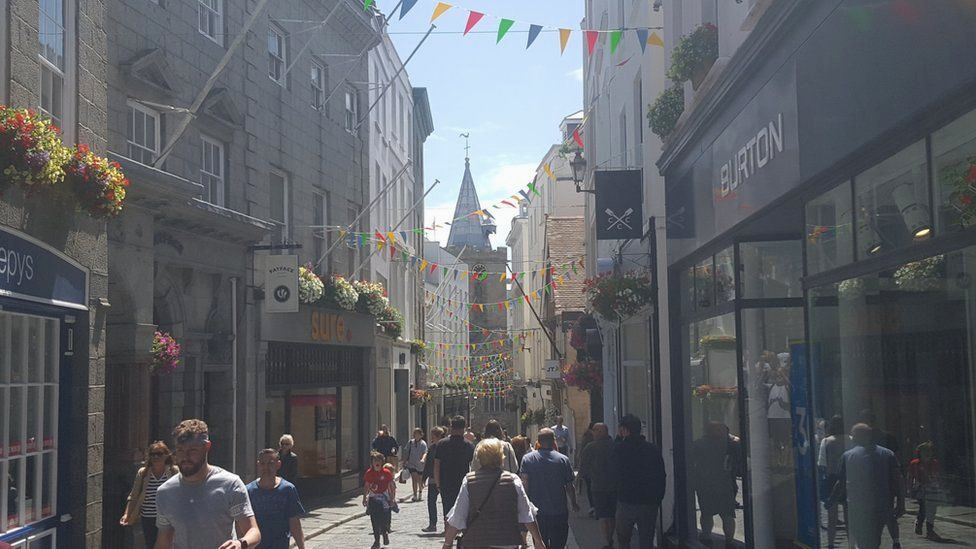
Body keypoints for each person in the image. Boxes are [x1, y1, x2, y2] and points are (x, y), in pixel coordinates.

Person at [154, 419, 261, 549]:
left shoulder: (230, 484)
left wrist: (240, 543)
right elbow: (163, 541)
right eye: (180, 450)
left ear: (207, 447)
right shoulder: (165, 492)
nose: (185, 457)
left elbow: (253, 532)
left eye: (192, 450)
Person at [442, 438, 547, 549]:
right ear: (501, 457)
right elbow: (526, 514)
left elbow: (459, 516)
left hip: (476, 542)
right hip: (507, 542)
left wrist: (448, 543)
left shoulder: (469, 481)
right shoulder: (513, 480)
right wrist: (538, 540)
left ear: (479, 458)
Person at [833, 423, 905, 549]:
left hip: (857, 506)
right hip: (882, 504)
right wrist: (901, 502)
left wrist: (831, 499)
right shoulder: (888, 454)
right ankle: (895, 541)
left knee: (864, 541)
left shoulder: (848, 456)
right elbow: (897, 480)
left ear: (856, 437)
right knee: (875, 539)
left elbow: (841, 482)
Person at [610, 414, 666, 549]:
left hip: (626, 500)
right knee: (646, 540)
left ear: (624, 430)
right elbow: (661, 475)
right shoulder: (652, 449)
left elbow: (612, 472)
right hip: (648, 502)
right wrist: (658, 498)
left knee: (623, 540)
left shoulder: (618, 449)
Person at [520, 428, 579, 549]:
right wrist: (574, 503)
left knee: (540, 543)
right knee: (558, 543)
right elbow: (569, 486)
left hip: (537, 512)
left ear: (539, 442)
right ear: (553, 441)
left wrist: (524, 505)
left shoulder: (528, 459)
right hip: (559, 511)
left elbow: (525, 484)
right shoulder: (563, 460)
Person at [120, 441, 179, 548]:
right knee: (151, 544)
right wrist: (127, 514)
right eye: (153, 454)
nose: (156, 457)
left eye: (159, 454)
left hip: (167, 517)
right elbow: (134, 495)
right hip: (148, 517)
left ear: (166, 455)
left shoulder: (174, 472)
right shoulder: (143, 473)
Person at [857, 409, 902, 548]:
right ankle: (895, 541)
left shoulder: (864, 438)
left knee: (877, 516)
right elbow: (897, 460)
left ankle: (886, 542)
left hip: (874, 483)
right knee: (889, 515)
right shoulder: (888, 436)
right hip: (886, 482)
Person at [246, 449, 305, 549]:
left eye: (270, 463)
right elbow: (242, 522)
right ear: (258, 465)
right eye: (263, 463)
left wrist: (302, 547)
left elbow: (294, 522)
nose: (266, 467)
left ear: (278, 464)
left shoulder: (288, 489)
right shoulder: (249, 491)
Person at [691, 422, 737, 546]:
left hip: (706, 484)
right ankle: (729, 540)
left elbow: (692, 461)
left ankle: (706, 536)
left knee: (707, 513)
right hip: (724, 484)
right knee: (727, 514)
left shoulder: (699, 444)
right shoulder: (730, 444)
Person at [579, 423, 616, 549]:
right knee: (611, 514)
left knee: (603, 515)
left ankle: (607, 541)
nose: (593, 433)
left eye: (595, 431)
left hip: (598, 486)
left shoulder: (591, 447)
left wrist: (583, 477)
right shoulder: (615, 445)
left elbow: (583, 464)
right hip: (614, 486)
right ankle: (610, 536)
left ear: (599, 432)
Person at [434, 416, 475, 524]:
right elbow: (473, 466)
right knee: (463, 509)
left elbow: (436, 465)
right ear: (463, 428)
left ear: (452, 427)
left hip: (445, 482)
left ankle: (448, 532)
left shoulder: (442, 444)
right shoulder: (469, 445)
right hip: (462, 482)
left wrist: (438, 484)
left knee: (447, 509)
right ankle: (461, 530)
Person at [818, 415, 848, 549]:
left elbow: (822, 464)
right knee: (849, 515)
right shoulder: (851, 440)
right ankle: (851, 544)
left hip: (832, 478)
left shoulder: (826, 441)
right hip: (848, 478)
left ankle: (830, 543)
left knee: (832, 515)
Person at [908, 441, 943, 540]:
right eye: (924, 451)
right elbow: (910, 477)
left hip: (932, 488)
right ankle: (919, 522)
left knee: (932, 510)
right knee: (924, 508)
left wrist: (939, 486)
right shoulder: (915, 463)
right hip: (920, 489)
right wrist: (909, 489)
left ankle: (929, 530)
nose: (927, 453)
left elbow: (937, 476)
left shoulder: (935, 463)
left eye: (929, 451)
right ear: (920, 452)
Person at [363, 451, 395, 549]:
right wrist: (364, 498)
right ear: (372, 463)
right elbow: (367, 485)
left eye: (379, 461)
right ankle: (376, 541)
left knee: (383, 519)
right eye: (374, 461)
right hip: (373, 498)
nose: (376, 463)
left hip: (384, 498)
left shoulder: (386, 473)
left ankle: (385, 532)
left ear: (382, 462)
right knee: (374, 520)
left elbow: (391, 486)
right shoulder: (369, 473)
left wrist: (392, 498)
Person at [422, 426, 446, 533]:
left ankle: (448, 526)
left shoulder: (446, 447)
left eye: (433, 436)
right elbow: (428, 464)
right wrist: (424, 477)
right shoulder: (431, 448)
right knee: (431, 502)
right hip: (432, 479)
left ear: (438, 436)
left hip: (444, 479)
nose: (431, 438)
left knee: (446, 503)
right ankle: (432, 524)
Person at [401, 428, 428, 502]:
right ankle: (415, 495)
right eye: (415, 434)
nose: (416, 435)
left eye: (417, 434)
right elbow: (407, 452)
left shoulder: (423, 443)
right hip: (411, 464)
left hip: (420, 465)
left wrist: (422, 459)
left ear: (421, 435)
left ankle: (420, 492)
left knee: (420, 480)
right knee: (414, 479)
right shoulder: (410, 442)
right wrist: (405, 461)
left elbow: (425, 453)